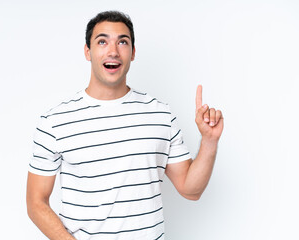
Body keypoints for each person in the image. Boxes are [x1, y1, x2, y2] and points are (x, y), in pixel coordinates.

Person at [26, 10, 223, 240]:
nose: (113, 51)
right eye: (102, 41)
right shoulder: (55, 122)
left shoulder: (160, 114)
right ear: (87, 52)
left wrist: (209, 141)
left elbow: (191, 190)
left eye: (123, 42)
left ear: (133, 52)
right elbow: (35, 202)